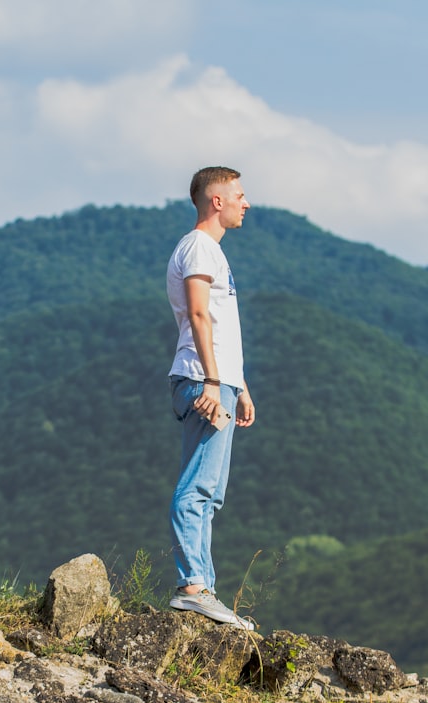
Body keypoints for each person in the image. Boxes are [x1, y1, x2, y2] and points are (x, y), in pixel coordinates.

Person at [166, 166, 256, 630]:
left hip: (217, 381)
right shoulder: (200, 247)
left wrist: (238, 387)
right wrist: (214, 384)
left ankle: (204, 588)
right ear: (215, 200)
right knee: (198, 486)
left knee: (211, 492)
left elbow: (219, 327)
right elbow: (199, 315)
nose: (246, 203)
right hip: (204, 381)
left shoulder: (211, 251)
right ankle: (192, 588)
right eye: (239, 195)